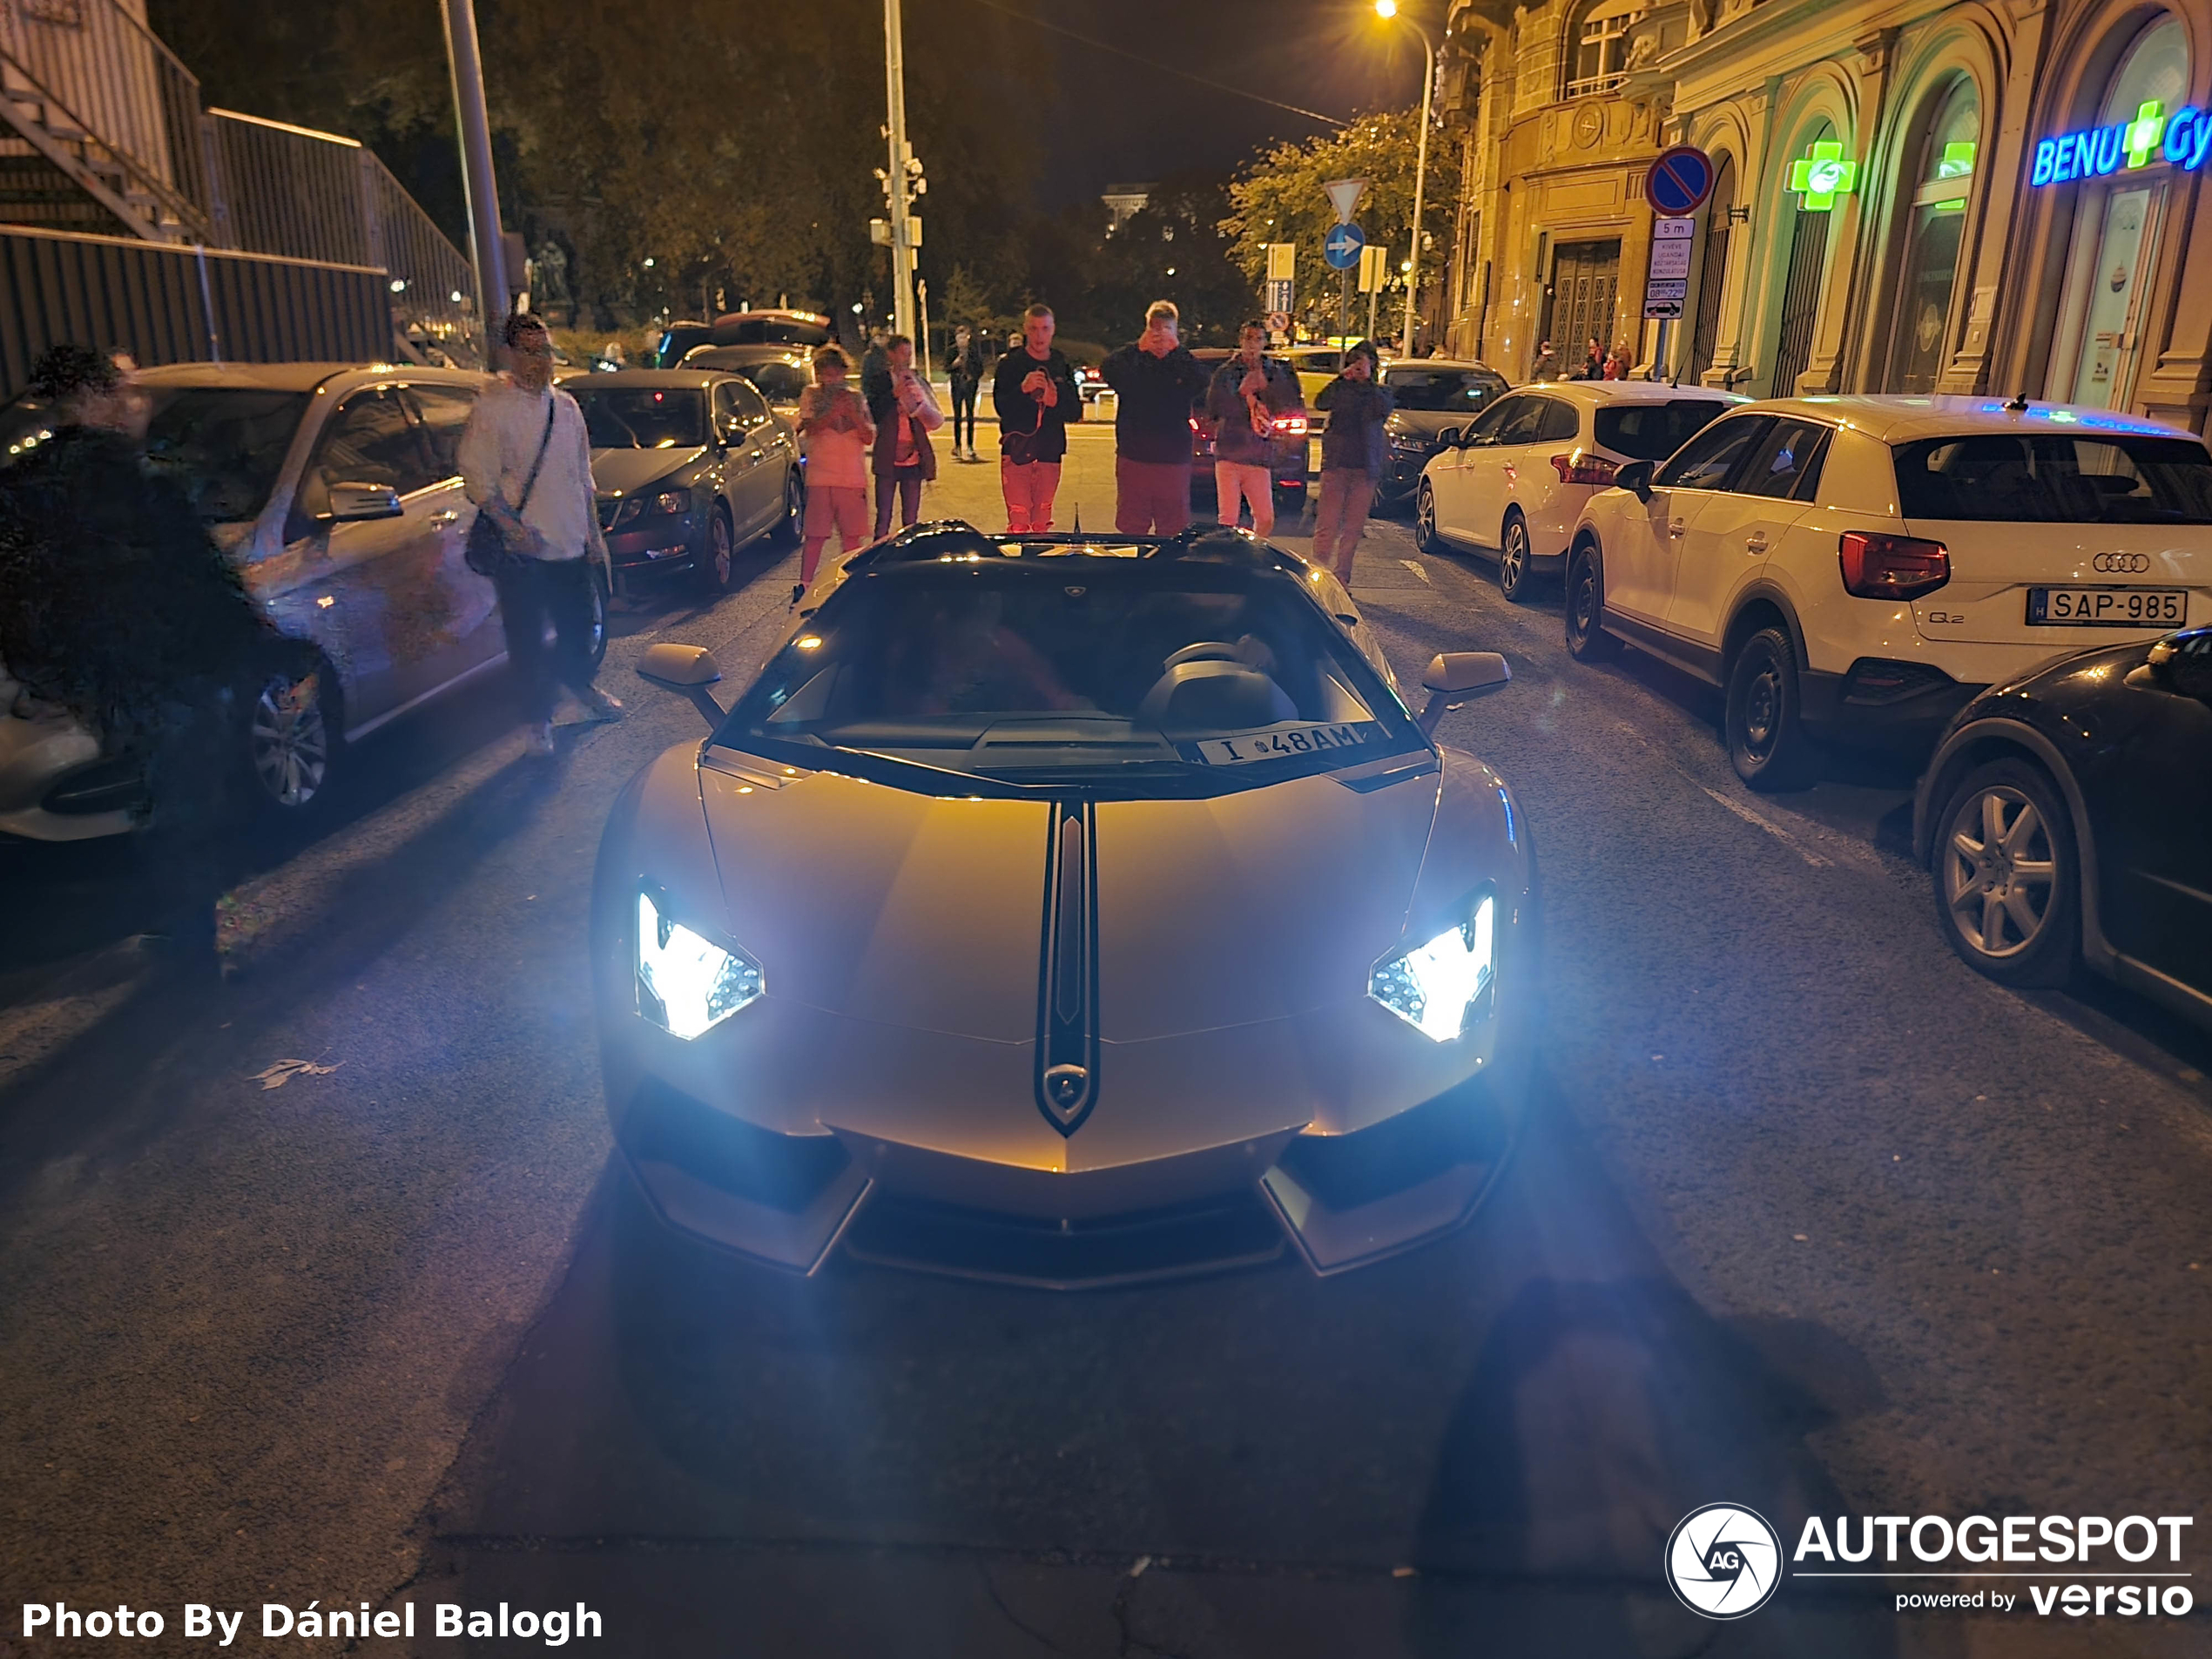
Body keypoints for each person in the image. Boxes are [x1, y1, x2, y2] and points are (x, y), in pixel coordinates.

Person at [0, 343, 313, 970]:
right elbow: (202, 584)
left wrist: (52, 670)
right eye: (127, 390)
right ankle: (200, 942)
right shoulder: (138, 485)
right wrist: (267, 650)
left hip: (103, 682)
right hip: (175, 670)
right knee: (196, 800)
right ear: (91, 401)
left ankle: (182, 927)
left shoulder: (21, 489)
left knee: (161, 798)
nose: (138, 402)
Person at [458, 312, 622, 758]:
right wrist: (511, 529)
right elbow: (477, 478)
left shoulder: (565, 408)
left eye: (544, 351)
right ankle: (538, 722)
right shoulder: (494, 407)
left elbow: (582, 476)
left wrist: (593, 536)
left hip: (570, 543)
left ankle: (580, 689)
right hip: (523, 551)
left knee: (577, 631)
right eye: (528, 352)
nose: (539, 362)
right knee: (527, 639)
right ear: (510, 355)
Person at [1101, 300, 1209, 536]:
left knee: (1173, 528)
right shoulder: (1133, 359)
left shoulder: (1182, 362)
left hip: (1173, 459)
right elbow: (1108, 370)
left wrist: (1177, 350)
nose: (1160, 336)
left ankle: (1167, 572)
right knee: (1132, 527)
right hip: (1134, 455)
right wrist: (1139, 347)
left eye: (1167, 329)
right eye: (1154, 329)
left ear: (1176, 331)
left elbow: (1202, 381)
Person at [1204, 320, 1304, 538]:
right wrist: (1242, 394)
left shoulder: (1273, 371)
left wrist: (1266, 388)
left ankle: (1254, 552)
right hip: (1230, 452)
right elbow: (1214, 407)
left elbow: (1285, 404)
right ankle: (1228, 559)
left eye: (1258, 339)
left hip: (1258, 454)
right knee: (1228, 518)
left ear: (1265, 342)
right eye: (1248, 338)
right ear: (1241, 340)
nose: (1252, 344)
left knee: (1265, 518)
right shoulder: (1227, 372)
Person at [794, 342, 874, 599]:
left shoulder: (856, 397)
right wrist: (832, 413)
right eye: (823, 373)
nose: (829, 379)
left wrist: (853, 414)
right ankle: (804, 585)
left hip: (851, 478)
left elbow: (868, 437)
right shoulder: (811, 395)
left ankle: (848, 584)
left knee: (852, 537)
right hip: (820, 477)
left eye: (834, 373)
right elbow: (810, 428)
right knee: (815, 535)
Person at [992, 304, 1081, 533]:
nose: (1039, 335)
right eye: (1034, 328)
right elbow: (1001, 407)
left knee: (1042, 522)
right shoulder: (1011, 364)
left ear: (1053, 330)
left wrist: (1055, 401)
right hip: (1017, 451)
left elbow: (1074, 412)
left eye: (1045, 328)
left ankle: (1038, 560)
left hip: (1049, 452)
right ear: (1025, 330)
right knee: (1019, 522)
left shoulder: (1060, 362)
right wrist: (1022, 390)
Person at [1311, 341, 1393, 584]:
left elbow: (1382, 409)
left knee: (1353, 530)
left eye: (1363, 362)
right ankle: (1318, 578)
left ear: (1373, 365)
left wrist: (1368, 382)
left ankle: (1342, 580)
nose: (1357, 367)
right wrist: (1340, 379)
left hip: (1364, 470)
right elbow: (1321, 402)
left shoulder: (1381, 393)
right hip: (1336, 466)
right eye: (1354, 361)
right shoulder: (1340, 389)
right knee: (1327, 525)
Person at [868, 334, 944, 539]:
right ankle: (878, 557)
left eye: (910, 354)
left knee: (911, 519)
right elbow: (873, 413)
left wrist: (919, 401)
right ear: (891, 354)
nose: (907, 359)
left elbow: (933, 418)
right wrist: (894, 394)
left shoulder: (917, 380)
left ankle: (908, 556)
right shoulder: (881, 380)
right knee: (883, 515)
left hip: (913, 457)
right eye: (903, 354)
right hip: (888, 456)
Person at [948, 325, 985, 462]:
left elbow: (981, 369)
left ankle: (970, 446)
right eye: (960, 337)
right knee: (957, 416)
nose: (962, 340)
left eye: (965, 337)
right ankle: (957, 445)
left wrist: (973, 376)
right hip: (957, 386)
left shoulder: (974, 352)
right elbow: (946, 368)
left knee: (970, 416)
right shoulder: (951, 351)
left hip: (970, 386)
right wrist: (954, 364)